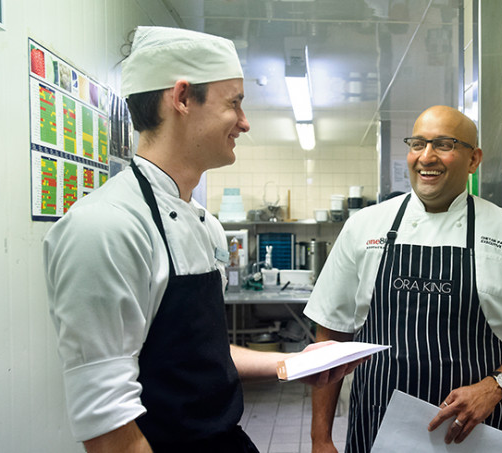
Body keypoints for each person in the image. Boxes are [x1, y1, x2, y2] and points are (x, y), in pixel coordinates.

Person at [44, 26, 358, 453]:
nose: (244, 123)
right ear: (183, 98)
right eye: (235, 104)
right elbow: (108, 426)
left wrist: (291, 362)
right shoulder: (104, 227)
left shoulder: (205, 225)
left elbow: (199, 353)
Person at [304, 105, 502, 453]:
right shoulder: (364, 227)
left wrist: (495, 385)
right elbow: (330, 337)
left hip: (477, 435)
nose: (427, 157)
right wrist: (320, 438)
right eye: (418, 144)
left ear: (473, 160)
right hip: (377, 429)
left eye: (444, 144)